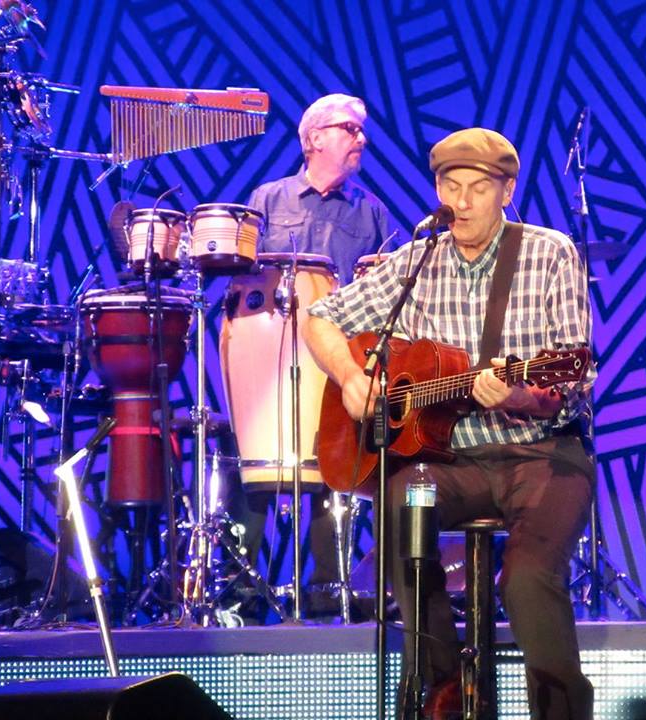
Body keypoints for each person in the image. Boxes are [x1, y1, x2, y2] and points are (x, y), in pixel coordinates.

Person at [304, 128, 595, 718]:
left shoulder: (550, 254)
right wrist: (352, 378)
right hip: (450, 462)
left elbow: (570, 385)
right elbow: (319, 317)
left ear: (506, 192)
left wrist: (518, 393)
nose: (459, 202)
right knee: (400, 512)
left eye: (476, 189)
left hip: (542, 456)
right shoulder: (418, 261)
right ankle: (444, 693)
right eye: (449, 186)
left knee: (526, 580)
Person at [232, 93, 392, 615]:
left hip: (336, 350)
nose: (361, 138)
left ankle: (328, 590)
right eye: (351, 129)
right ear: (314, 138)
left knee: (332, 460)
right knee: (260, 460)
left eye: (362, 130)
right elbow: (241, 276)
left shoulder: (371, 211)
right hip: (269, 348)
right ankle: (240, 589)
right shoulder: (268, 198)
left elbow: (384, 288)